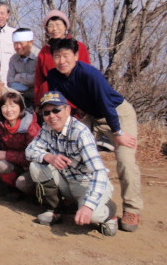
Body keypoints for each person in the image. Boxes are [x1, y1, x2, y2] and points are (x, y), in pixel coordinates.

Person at [46, 38, 142, 232]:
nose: (61, 61)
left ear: (76, 56)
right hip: (91, 115)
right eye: (57, 56)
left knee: (125, 160)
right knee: (72, 151)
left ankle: (132, 208)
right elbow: (58, 105)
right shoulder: (53, 76)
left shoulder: (90, 74)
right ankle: (79, 197)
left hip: (117, 114)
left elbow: (107, 105)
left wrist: (118, 134)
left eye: (66, 56)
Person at [26, 91, 118, 236]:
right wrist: (49, 157)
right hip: (65, 180)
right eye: (47, 112)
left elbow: (99, 172)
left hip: (86, 184)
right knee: (36, 166)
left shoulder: (81, 133)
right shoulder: (47, 128)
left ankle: (110, 211)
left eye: (56, 110)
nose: (52, 116)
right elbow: (30, 150)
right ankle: (54, 210)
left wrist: (88, 206)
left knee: (92, 215)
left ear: (67, 109)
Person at [34, 9, 90, 107]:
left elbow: (86, 74)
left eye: (58, 25)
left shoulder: (79, 47)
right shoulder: (45, 50)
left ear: (65, 26)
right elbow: (39, 78)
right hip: (50, 96)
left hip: (75, 94)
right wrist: (38, 102)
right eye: (51, 26)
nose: (55, 29)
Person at [0, 92, 40, 196]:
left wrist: (7, 155)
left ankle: (35, 197)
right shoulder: (1, 126)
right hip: (17, 164)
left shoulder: (31, 127)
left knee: (22, 183)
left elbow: (33, 156)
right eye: (4, 106)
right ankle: (14, 190)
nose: (9, 110)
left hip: (32, 167)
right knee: (1, 164)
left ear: (21, 107)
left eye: (13, 106)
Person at [7, 28, 38, 109]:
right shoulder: (13, 59)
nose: (18, 47)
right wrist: (28, 83)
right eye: (15, 44)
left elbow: (36, 80)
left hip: (37, 98)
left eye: (21, 43)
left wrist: (18, 77)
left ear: (31, 43)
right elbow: (10, 82)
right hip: (18, 98)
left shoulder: (39, 56)